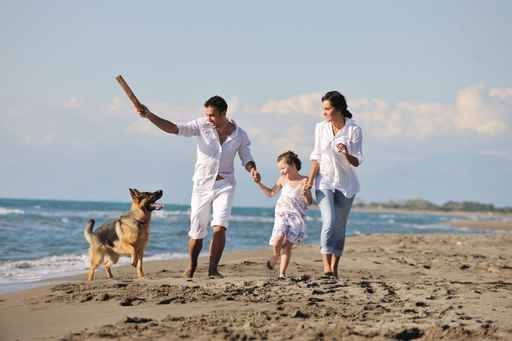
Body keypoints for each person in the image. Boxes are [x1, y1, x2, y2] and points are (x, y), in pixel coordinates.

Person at [134, 96, 260, 278]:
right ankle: (192, 266)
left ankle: (213, 269)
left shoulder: (239, 134)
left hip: (225, 184)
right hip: (202, 185)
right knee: (197, 229)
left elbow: (246, 157)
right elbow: (174, 128)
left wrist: (252, 169)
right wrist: (149, 115)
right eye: (206, 114)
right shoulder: (201, 125)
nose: (208, 118)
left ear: (224, 113)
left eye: (213, 115)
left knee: (220, 225)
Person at [305, 91, 363, 279]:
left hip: (346, 185)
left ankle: (334, 267)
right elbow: (316, 157)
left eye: (327, 109)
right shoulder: (320, 128)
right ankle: (326, 268)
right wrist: (309, 181)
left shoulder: (354, 129)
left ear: (338, 109)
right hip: (324, 181)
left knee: (339, 227)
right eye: (323, 109)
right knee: (329, 222)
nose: (324, 113)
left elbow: (357, 161)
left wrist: (346, 153)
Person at [255, 151, 312, 279]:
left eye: (283, 168)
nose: (281, 171)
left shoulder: (305, 180)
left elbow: (309, 202)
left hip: (297, 218)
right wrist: (258, 183)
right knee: (278, 238)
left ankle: (282, 274)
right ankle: (275, 255)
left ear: (292, 165)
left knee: (287, 246)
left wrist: (306, 194)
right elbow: (270, 193)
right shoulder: (282, 179)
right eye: (280, 169)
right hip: (281, 214)